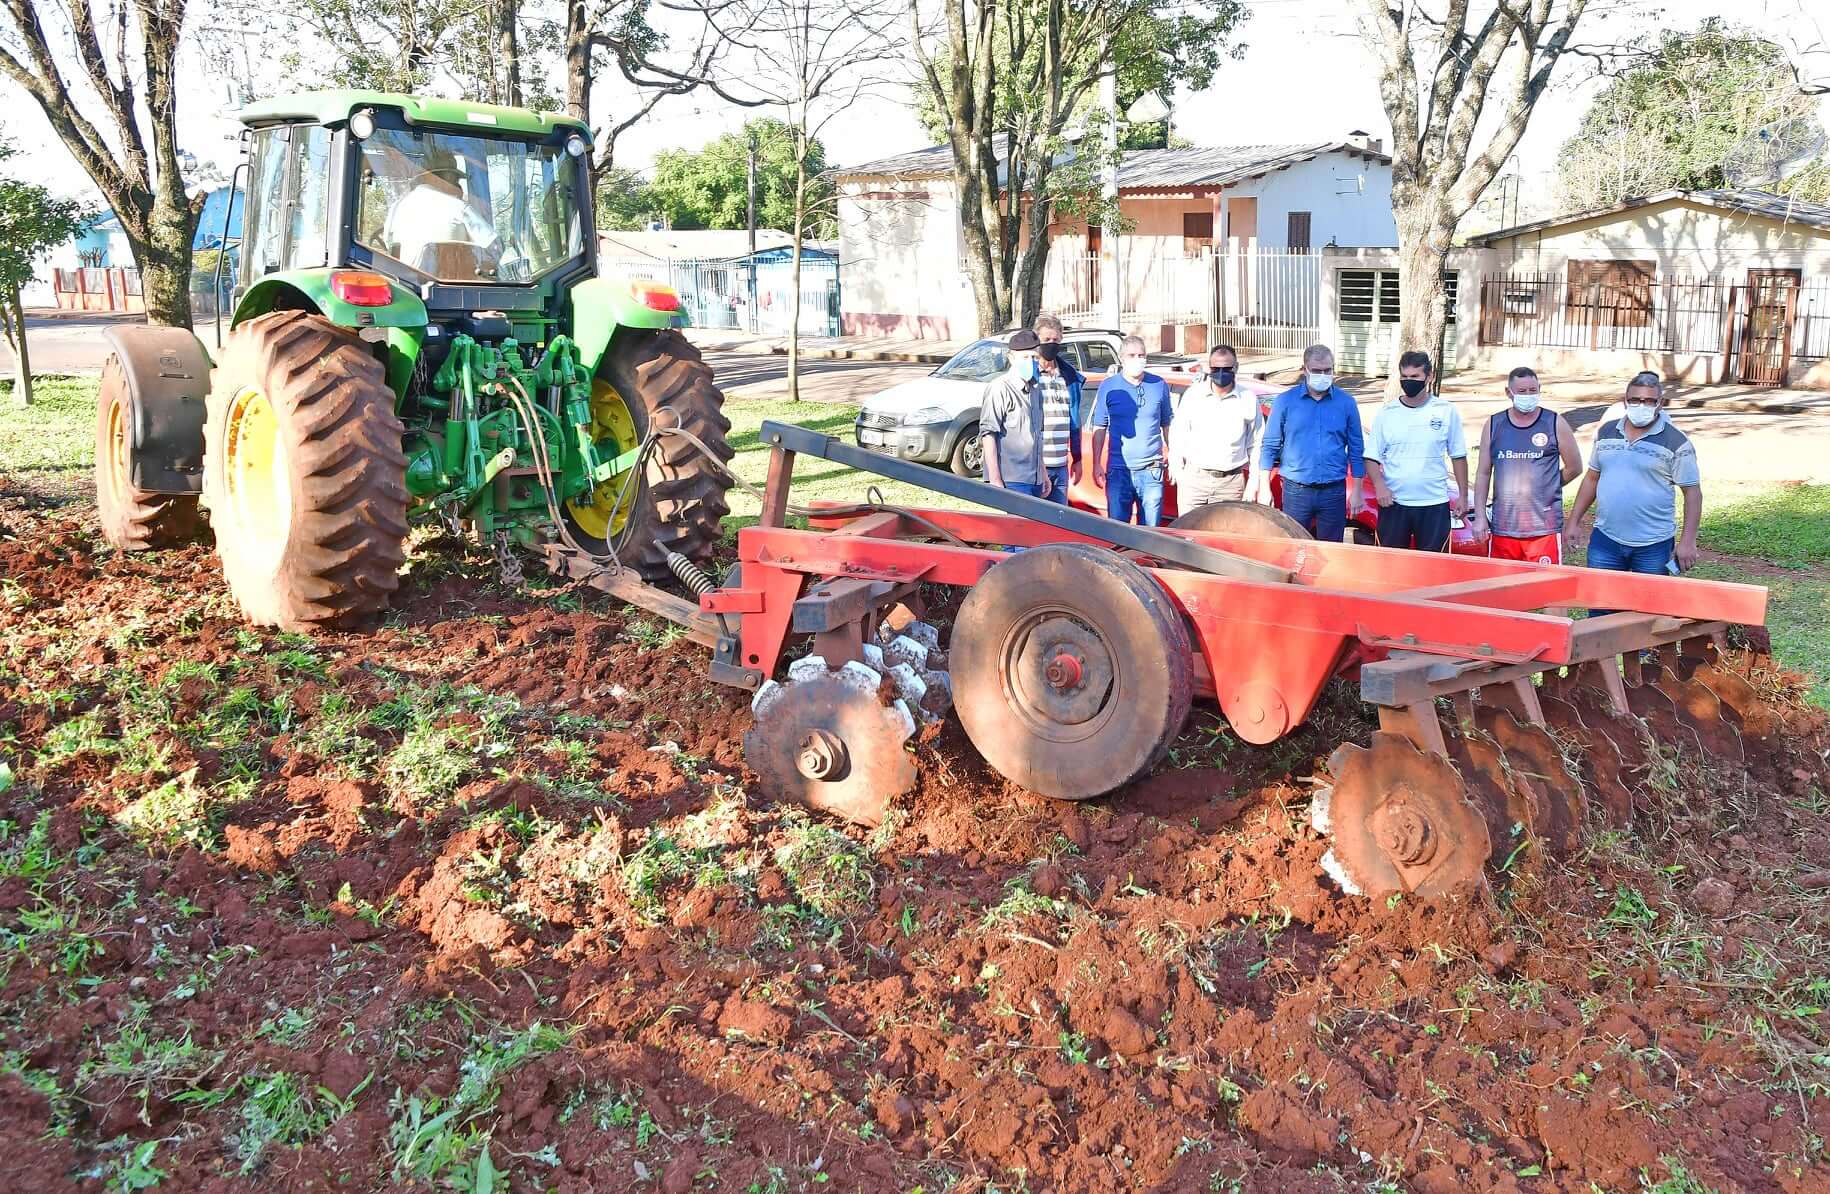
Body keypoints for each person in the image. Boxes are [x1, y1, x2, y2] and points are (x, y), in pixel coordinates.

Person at [1566, 371, 1701, 577]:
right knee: (1601, 597)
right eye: (1635, 400)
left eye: (1649, 401)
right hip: (1606, 539)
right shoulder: (1606, 432)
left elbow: (1692, 493)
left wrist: (1688, 541)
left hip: (1654, 545)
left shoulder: (1677, 442)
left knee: (1648, 598)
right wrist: (1573, 522)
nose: (1641, 405)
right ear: (1625, 401)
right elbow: (1592, 478)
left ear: (1660, 404)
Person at [1468, 366, 1582, 563]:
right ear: (1508, 392)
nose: (1528, 395)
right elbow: (1484, 473)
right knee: (1503, 582)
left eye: (1532, 390)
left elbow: (1575, 467)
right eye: (1522, 391)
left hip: (1543, 528)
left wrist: (1549, 484)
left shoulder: (1554, 423)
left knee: (1543, 582)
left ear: (1539, 389)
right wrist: (1480, 517)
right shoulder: (1494, 424)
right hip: (1503, 526)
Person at [1255, 343, 1364, 542]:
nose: (1323, 375)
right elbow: (1269, 446)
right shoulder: (1285, 402)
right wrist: (1264, 487)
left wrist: (1357, 490)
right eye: (1316, 371)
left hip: (1333, 491)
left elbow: (1356, 449)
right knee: (1295, 547)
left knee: (1331, 550)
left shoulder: (1346, 403)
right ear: (1304, 369)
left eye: (1327, 370)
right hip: (1296, 491)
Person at [1363, 351, 1467, 551]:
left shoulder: (1445, 410)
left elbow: (1458, 455)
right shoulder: (1387, 413)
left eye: (1415, 376)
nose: (1409, 381)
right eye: (1405, 376)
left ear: (1429, 377)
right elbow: (1371, 456)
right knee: (1391, 563)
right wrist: (1379, 486)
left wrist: (1462, 495)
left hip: (1434, 503)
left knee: (1433, 564)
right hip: (1394, 504)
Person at [379, 145, 501, 277]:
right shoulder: (458, 207)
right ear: (436, 178)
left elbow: (389, 245)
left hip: (404, 283)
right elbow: (495, 247)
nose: (457, 185)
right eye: (454, 179)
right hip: (449, 284)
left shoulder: (397, 208)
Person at [1091, 336, 1176, 525]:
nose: (1138, 359)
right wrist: (1096, 463)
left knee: (1151, 532)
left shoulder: (1159, 385)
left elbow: (1167, 424)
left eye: (1141, 355)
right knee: (1118, 530)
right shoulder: (1109, 386)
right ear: (1122, 358)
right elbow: (1099, 427)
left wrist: (1174, 455)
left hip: (1151, 470)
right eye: (1132, 355)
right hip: (1118, 471)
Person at [1171, 344, 1261, 509]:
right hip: (1194, 481)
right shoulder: (1193, 395)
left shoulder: (1247, 399)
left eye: (1226, 369)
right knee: (1188, 526)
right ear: (1209, 368)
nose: (1220, 373)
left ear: (1236, 367)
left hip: (1230, 484)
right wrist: (1177, 469)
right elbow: (1178, 434)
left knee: (1226, 527)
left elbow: (1256, 443)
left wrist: (1253, 482)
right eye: (1216, 368)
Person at [979, 330, 1052, 499]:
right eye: (1025, 357)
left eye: (1034, 357)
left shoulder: (1035, 389)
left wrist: (1043, 474)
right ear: (1011, 358)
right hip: (1011, 479)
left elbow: (1036, 436)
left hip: (1034, 479)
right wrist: (995, 480)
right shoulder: (1000, 388)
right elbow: (988, 434)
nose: (1031, 362)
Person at [1033, 315, 1084, 505]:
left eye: (1055, 339)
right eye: (1046, 339)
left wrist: (1077, 458)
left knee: (1059, 518)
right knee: (1033, 518)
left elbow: (1075, 420)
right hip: (1036, 465)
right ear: (1037, 340)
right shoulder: (1030, 375)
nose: (1051, 344)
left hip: (1061, 464)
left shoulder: (1068, 376)